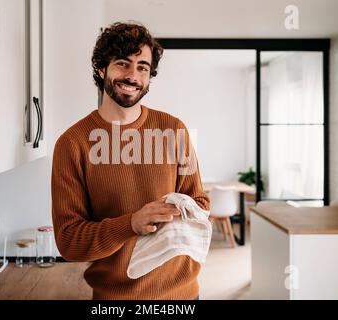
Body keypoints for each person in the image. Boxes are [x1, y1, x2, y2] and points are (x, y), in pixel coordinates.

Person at [51, 21, 209, 300]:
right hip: (116, 300)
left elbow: (200, 203)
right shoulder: (72, 144)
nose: (133, 75)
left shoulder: (174, 130)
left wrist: (176, 209)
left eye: (142, 67)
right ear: (102, 69)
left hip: (183, 297)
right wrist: (131, 224)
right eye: (123, 64)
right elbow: (69, 241)